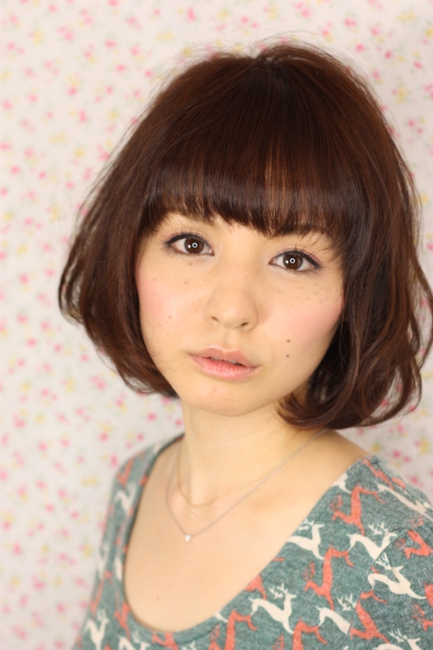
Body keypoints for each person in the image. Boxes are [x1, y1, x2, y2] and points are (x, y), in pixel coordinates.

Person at [59, 41, 433, 649]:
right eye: (191, 244)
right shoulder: (136, 486)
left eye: (294, 259)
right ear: (129, 253)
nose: (232, 309)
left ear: (355, 293)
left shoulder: (401, 558)